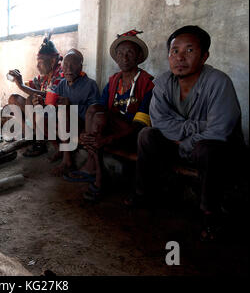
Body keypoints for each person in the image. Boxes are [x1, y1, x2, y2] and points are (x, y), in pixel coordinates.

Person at [125, 25, 244, 241]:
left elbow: (218, 131)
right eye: (175, 51)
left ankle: (211, 214)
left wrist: (185, 141)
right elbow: (161, 123)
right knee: (147, 135)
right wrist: (200, 126)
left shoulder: (218, 82)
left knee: (206, 148)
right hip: (183, 145)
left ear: (204, 56)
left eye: (189, 51)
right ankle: (144, 194)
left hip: (219, 152)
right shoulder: (161, 84)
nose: (180, 57)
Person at [64, 30, 154, 202]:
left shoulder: (148, 83)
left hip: (132, 136)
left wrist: (107, 139)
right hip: (108, 131)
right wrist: (86, 131)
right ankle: (99, 172)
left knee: (96, 116)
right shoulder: (114, 80)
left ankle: (98, 175)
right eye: (120, 54)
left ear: (139, 56)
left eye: (129, 53)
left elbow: (140, 127)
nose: (124, 58)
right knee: (94, 112)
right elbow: (99, 110)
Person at [32, 48, 101, 175]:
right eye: (66, 65)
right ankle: (59, 149)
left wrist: (71, 106)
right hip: (65, 122)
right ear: (62, 67)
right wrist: (42, 104)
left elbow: (94, 112)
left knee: (64, 112)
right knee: (39, 113)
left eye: (73, 64)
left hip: (82, 124)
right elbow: (52, 104)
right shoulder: (62, 84)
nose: (68, 69)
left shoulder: (90, 85)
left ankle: (67, 161)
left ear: (80, 66)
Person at [7, 33, 64, 156]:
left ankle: (39, 142)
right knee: (13, 99)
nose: (37, 66)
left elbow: (48, 95)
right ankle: (27, 133)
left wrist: (22, 86)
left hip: (55, 115)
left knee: (31, 99)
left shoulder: (60, 74)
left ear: (53, 61)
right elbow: (32, 85)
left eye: (40, 62)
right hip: (41, 114)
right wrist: (19, 80)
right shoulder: (44, 77)